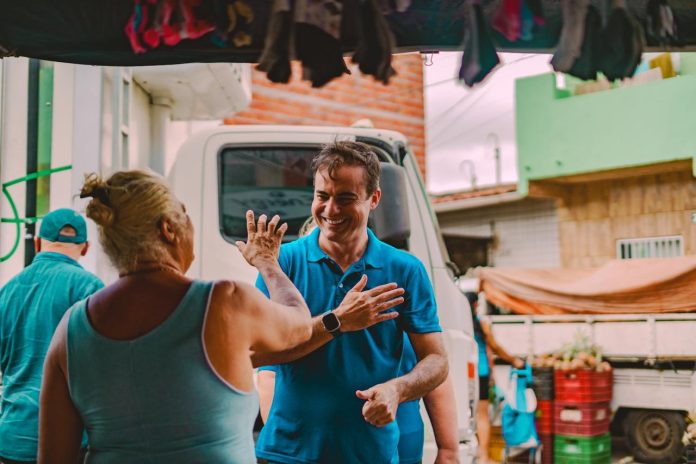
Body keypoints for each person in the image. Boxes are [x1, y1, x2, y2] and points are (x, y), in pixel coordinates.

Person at [38, 170, 312, 463]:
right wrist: (268, 264)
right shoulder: (223, 302)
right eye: (185, 214)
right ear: (169, 228)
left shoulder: (71, 329)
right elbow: (300, 325)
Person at [254, 141, 449, 464]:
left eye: (345, 198)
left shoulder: (404, 269)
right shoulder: (281, 263)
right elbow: (256, 354)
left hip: (370, 453)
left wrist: (397, 390)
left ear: (374, 199)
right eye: (322, 196)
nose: (330, 210)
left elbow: (436, 361)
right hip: (286, 453)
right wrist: (337, 322)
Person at [0, 208, 103, 464]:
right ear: (86, 247)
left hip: (12, 437)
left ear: (36, 243)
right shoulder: (92, 290)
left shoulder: (6, 292)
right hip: (69, 444)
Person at [467, 292, 524, 464]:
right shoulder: (481, 325)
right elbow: (495, 347)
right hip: (481, 372)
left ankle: (475, 454)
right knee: (482, 414)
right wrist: (514, 360)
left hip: (466, 372)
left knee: (468, 414)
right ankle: (484, 456)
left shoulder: (460, 324)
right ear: (476, 305)